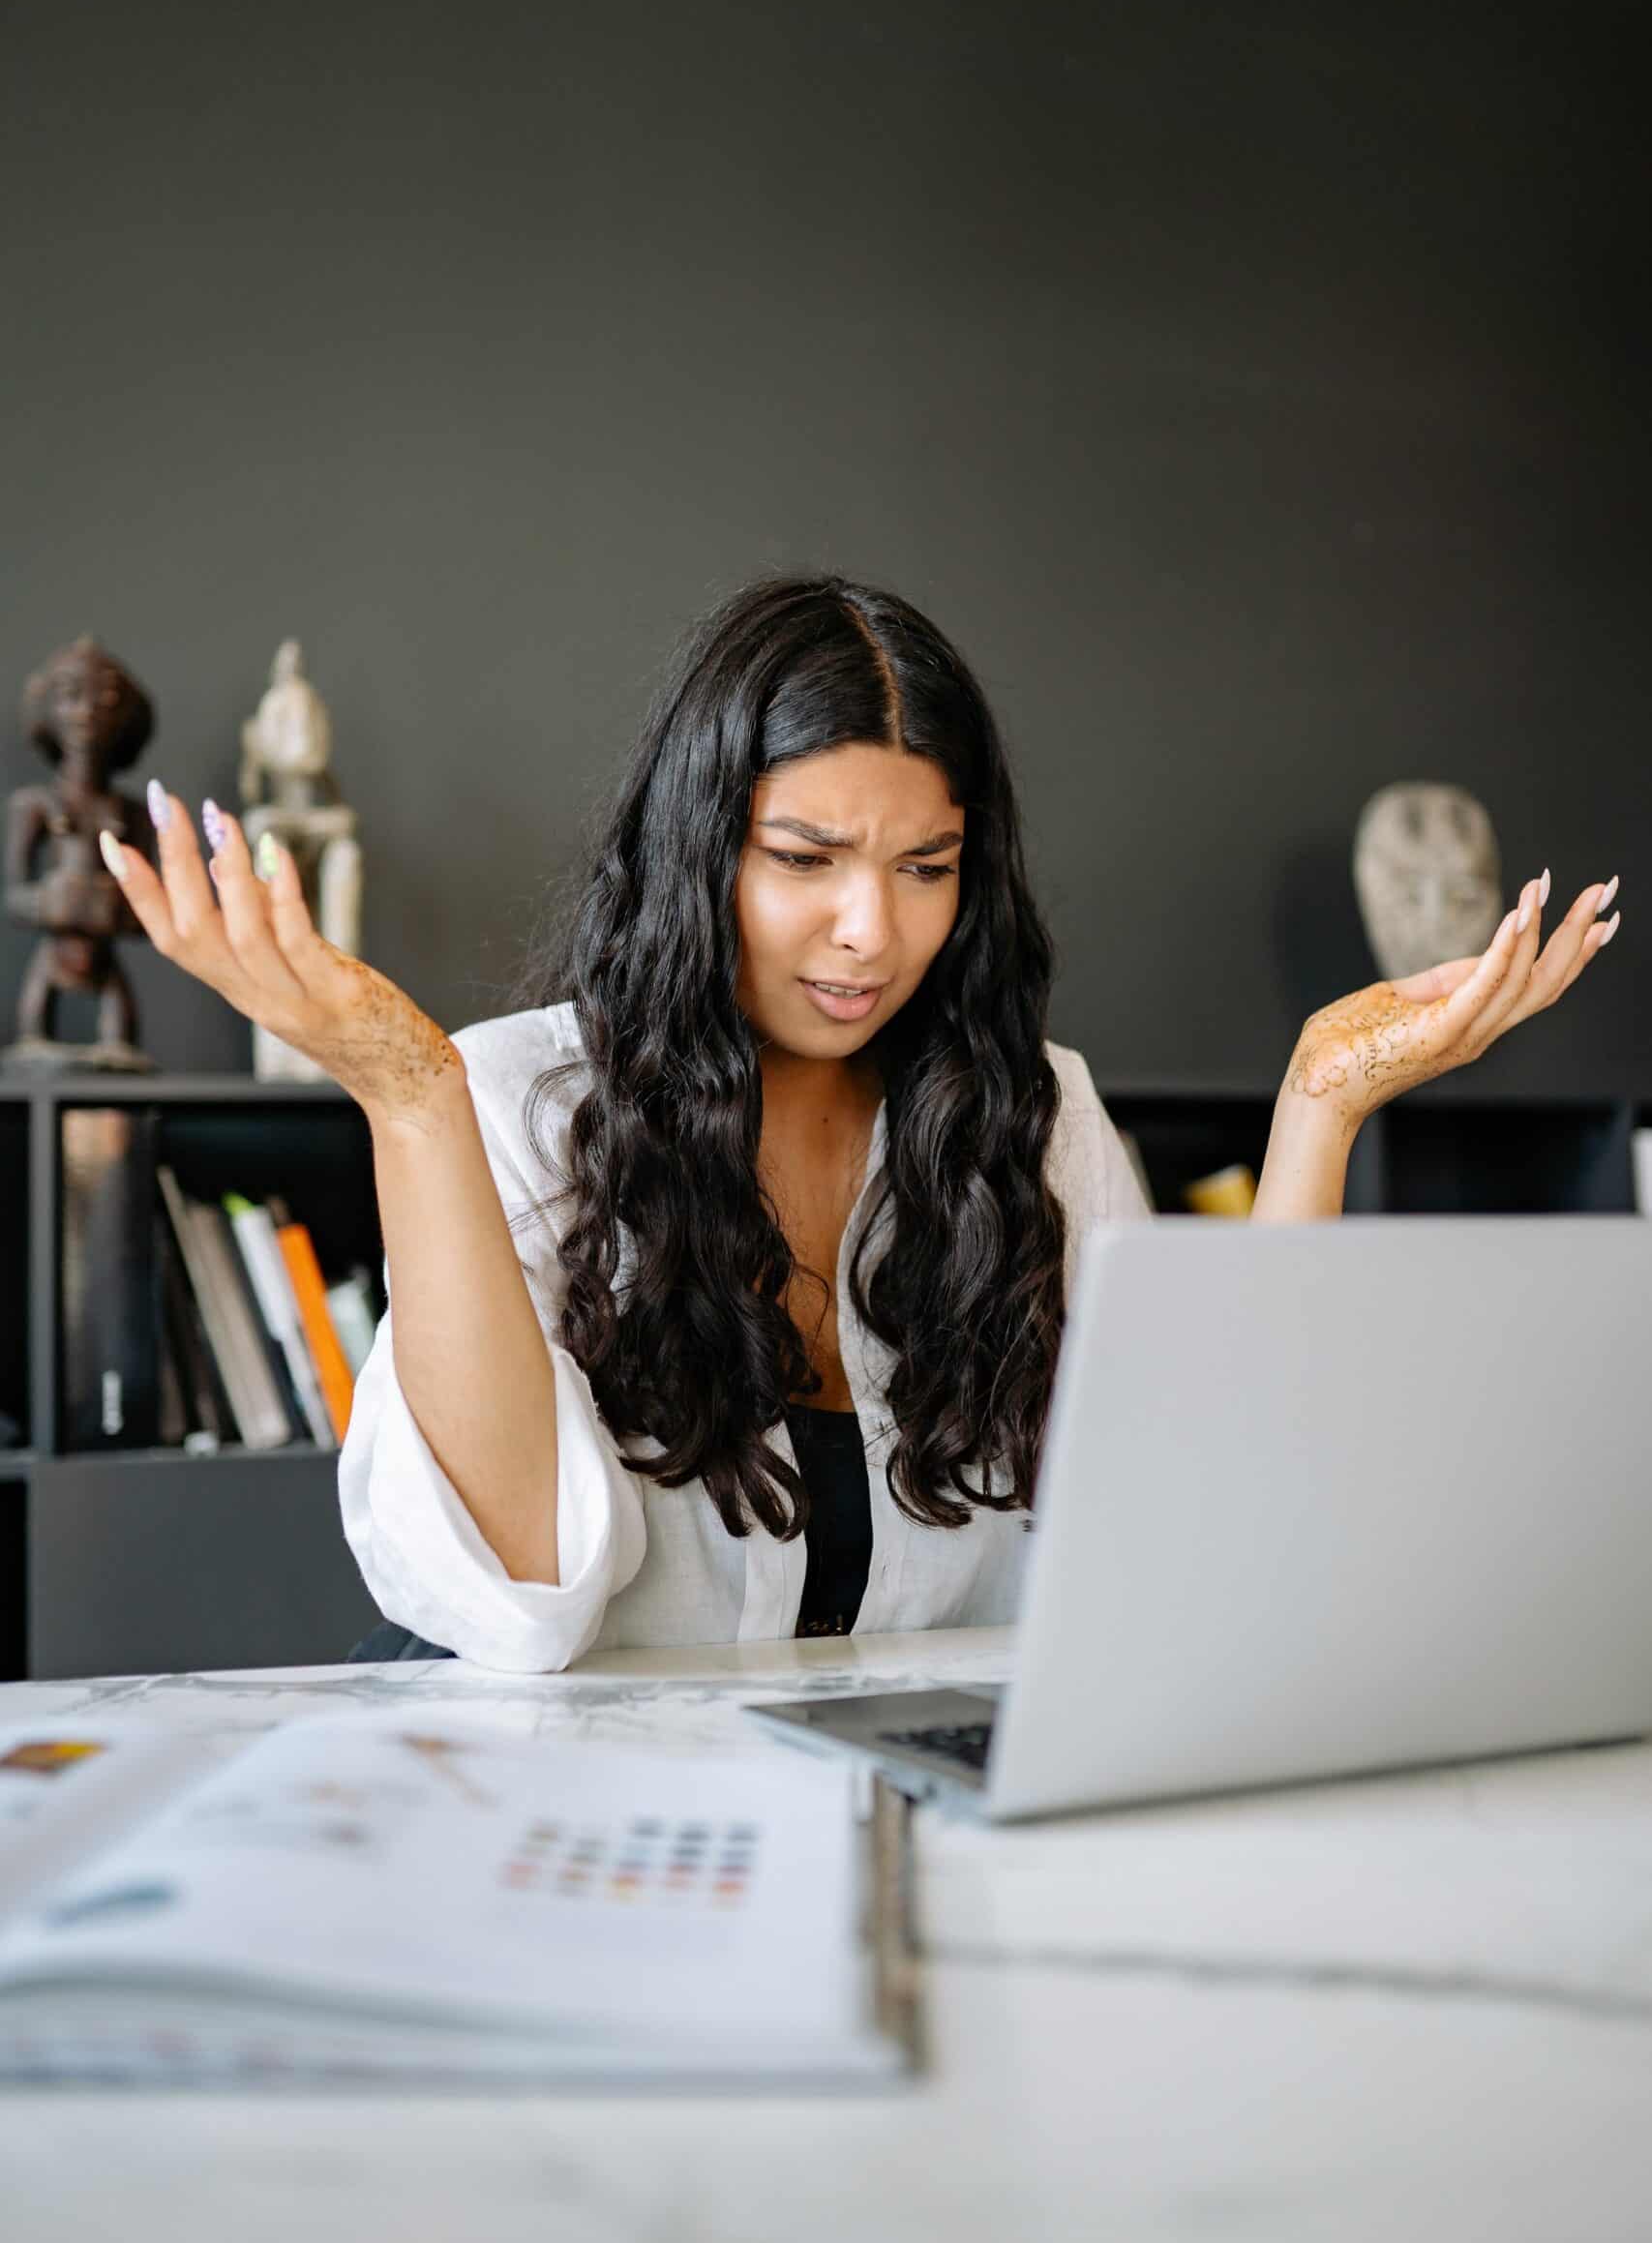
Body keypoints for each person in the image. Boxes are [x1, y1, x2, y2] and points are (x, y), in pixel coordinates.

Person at [99, 576, 1622, 1671]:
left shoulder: (1035, 1122)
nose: (867, 935)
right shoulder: (515, 1098)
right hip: (573, 1820)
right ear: (703, 850)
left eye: (925, 867)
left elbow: (1203, 1547)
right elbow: (526, 1595)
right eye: (806, 856)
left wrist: (1320, 1106)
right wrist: (408, 1096)